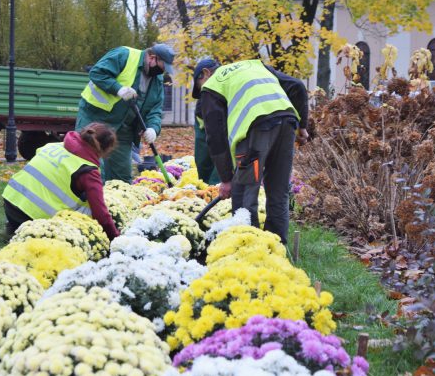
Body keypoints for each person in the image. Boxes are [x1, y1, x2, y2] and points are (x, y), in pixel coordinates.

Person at [192, 58, 309, 245]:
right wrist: (302, 126)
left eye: (199, 86)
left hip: (255, 130)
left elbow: (215, 137)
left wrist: (227, 179)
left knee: (244, 189)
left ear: (205, 74)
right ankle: (277, 247)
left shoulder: (211, 86)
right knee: (278, 190)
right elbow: (297, 86)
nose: (201, 93)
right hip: (287, 123)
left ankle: (249, 248)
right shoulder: (253, 65)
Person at [2, 123, 120, 240]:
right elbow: (100, 214)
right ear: (104, 150)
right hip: (32, 218)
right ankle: (25, 231)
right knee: (88, 207)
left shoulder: (54, 146)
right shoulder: (88, 171)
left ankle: (13, 226)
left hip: (10, 203)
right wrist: (115, 237)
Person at [77, 44, 175, 183]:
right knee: (92, 168)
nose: (162, 72)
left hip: (124, 128)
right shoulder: (125, 55)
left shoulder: (156, 81)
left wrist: (153, 128)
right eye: (162, 66)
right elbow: (97, 73)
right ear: (152, 58)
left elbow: (155, 109)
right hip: (95, 120)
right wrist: (118, 89)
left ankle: (115, 203)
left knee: (122, 177)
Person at [194, 97, 220, 184]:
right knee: (202, 161)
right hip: (203, 116)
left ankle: (215, 187)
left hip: (224, 115)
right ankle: (206, 188)